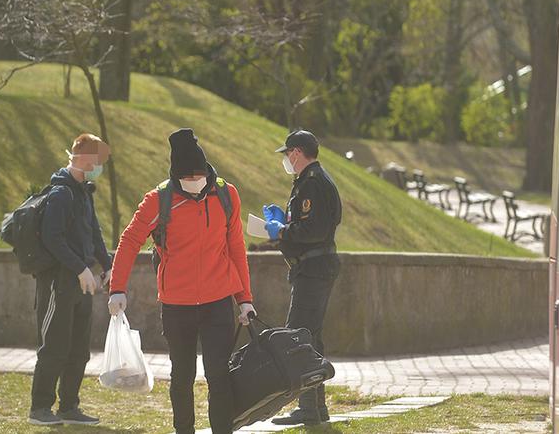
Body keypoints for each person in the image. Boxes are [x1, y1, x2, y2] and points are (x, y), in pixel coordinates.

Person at [107, 128, 256, 434]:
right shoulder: (158, 200)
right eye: (186, 179)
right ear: (176, 176)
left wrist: (245, 299)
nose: (193, 183)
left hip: (217, 301)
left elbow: (236, 248)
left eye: (198, 177)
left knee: (219, 375)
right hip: (177, 304)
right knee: (182, 376)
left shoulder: (227, 195)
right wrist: (117, 289)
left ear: (207, 172)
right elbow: (130, 240)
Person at [28, 133, 113, 426]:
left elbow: (95, 233)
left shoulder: (83, 192)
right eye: (97, 160)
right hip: (60, 281)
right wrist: (80, 268)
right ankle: (40, 408)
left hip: (83, 281)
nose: (100, 165)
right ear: (85, 159)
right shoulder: (61, 193)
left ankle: (69, 407)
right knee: (54, 346)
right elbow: (53, 238)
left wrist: (108, 265)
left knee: (79, 349)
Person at [264, 130, 342, 426]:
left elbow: (314, 231)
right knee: (310, 339)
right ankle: (314, 407)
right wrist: (283, 222)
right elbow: (311, 225)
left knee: (298, 338)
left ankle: (308, 408)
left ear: (296, 152)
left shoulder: (311, 183)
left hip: (313, 270)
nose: (286, 159)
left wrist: (281, 231)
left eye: (287, 154)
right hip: (313, 268)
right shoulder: (314, 181)